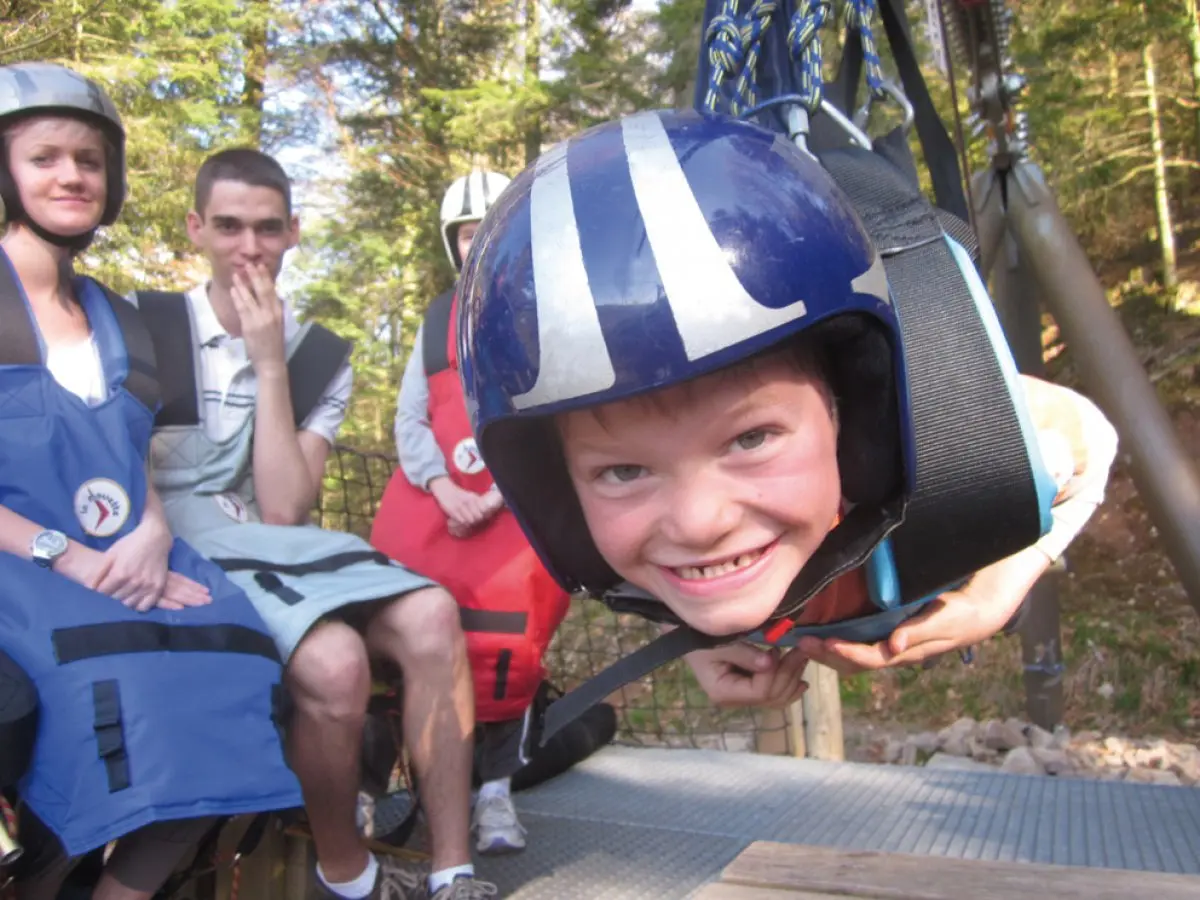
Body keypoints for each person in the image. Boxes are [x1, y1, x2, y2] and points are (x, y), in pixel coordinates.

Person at [453, 109, 1120, 715]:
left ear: (848, 417)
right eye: (624, 473)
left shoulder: (957, 456)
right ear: (561, 494)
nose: (699, 523)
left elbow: (1093, 436)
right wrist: (700, 630)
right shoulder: (638, 557)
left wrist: (1002, 585)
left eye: (751, 438)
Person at [137, 148, 496, 900]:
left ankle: (452, 870)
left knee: (432, 613)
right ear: (196, 229)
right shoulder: (146, 329)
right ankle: (348, 871)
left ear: (293, 233)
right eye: (229, 227)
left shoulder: (319, 358)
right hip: (176, 539)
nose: (249, 248)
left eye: (267, 229)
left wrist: (272, 364)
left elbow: (284, 506)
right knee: (335, 665)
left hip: (270, 538)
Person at [0, 62, 303, 900]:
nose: (71, 176)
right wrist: (61, 553)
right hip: (25, 562)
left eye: (89, 161)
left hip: (122, 554)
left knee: (236, 656)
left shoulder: (117, 318)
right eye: (45, 157)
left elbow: (132, 462)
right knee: (119, 683)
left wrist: (153, 530)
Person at [371, 169, 571, 855]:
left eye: (492, 228)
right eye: (466, 233)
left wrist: (503, 488)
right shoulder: (434, 323)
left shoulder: (548, 320)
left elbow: (561, 418)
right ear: (451, 243)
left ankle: (495, 797)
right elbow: (411, 419)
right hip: (440, 513)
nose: (478, 242)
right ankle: (406, 785)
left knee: (510, 655)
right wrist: (442, 486)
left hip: (513, 516)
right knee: (410, 643)